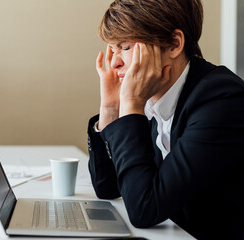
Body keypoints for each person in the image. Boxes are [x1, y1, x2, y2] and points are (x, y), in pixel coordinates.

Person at [87, 0, 244, 239]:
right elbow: (107, 188)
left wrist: (131, 106)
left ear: (174, 44)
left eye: (126, 47)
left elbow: (144, 209)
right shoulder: (153, 98)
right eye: (112, 49)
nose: (115, 62)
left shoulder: (221, 99)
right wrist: (110, 109)